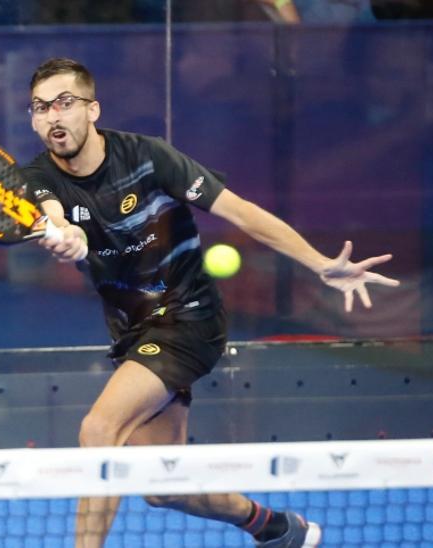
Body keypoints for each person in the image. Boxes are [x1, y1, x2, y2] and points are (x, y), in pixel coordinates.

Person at [20, 58, 399, 548]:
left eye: (65, 103)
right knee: (161, 487)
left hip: (189, 319)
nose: (53, 116)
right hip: (132, 331)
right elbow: (54, 216)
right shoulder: (36, 178)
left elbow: (241, 212)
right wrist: (64, 235)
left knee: (99, 430)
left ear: (92, 109)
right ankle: (274, 527)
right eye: (40, 107)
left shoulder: (149, 159)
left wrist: (319, 263)